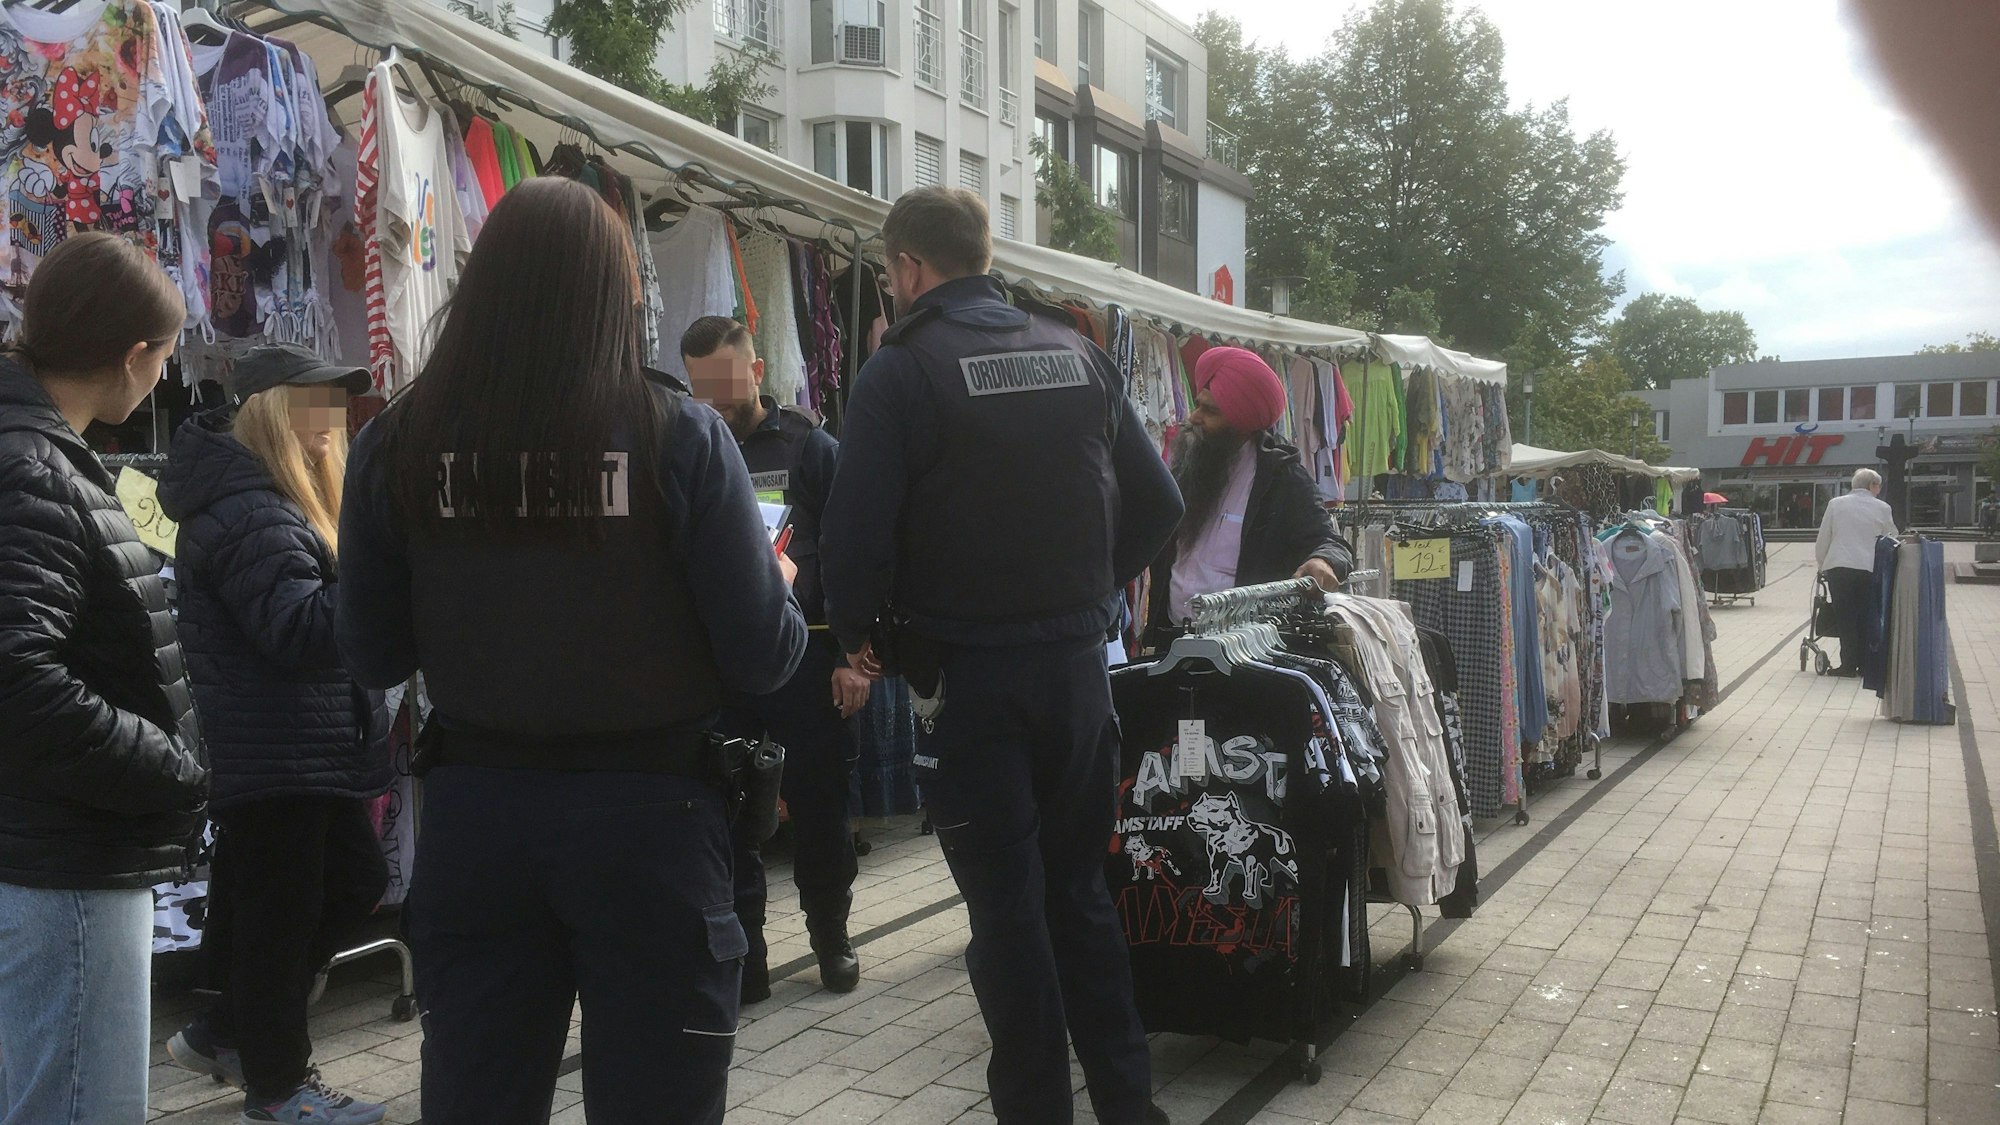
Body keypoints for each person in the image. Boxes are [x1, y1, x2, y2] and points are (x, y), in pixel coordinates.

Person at [336, 179, 807, 1125]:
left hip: (478, 823)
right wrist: (777, 586)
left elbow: (373, 648)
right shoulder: (681, 437)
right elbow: (763, 657)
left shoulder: (399, 442)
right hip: (652, 827)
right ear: (618, 292)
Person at [820, 187, 1184, 1125]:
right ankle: (1130, 1108)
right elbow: (1160, 504)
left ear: (905, 270)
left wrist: (862, 633)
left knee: (1008, 918)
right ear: (984, 254)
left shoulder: (899, 373)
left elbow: (854, 539)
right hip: (1075, 671)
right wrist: (1085, 591)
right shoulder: (1077, 352)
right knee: (1082, 901)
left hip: (969, 681)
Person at [0, 232, 208, 1123]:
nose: (162, 377)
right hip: (67, 863)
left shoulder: (38, 455)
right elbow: (17, 677)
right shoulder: (33, 466)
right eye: (164, 358)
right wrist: (167, 764)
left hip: (53, 852)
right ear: (134, 356)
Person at [159, 345, 392, 1125]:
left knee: (340, 891)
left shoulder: (273, 499)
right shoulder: (251, 506)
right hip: (274, 753)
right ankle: (278, 1085)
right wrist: (379, 581)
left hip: (302, 747)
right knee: (282, 920)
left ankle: (230, 1030)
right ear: (272, 410)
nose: (333, 419)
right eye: (316, 401)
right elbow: (294, 628)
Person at [680, 315, 865, 1002]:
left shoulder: (810, 449)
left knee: (820, 811)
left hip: (808, 659)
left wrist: (853, 655)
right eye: (701, 387)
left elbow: (849, 553)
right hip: (724, 669)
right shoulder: (688, 449)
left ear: (756, 371)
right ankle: (746, 957)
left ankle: (831, 938)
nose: (715, 399)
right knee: (730, 817)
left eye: (725, 382)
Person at [1145, 346, 1353, 644]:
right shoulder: (1187, 467)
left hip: (1244, 649)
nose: (1194, 417)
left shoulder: (1282, 479)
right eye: (1198, 405)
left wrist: (1323, 562)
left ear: (1242, 421)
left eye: (1210, 411)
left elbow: (1332, 543)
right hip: (1173, 639)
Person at [1815, 468, 1900, 677]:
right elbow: (1892, 536)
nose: (1879, 490)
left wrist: (1822, 564)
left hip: (1840, 568)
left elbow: (1824, 537)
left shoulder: (1836, 504)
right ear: (1871, 485)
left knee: (1846, 617)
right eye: (1878, 486)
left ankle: (1848, 665)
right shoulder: (1883, 507)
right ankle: (1865, 663)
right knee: (1866, 616)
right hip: (1869, 569)